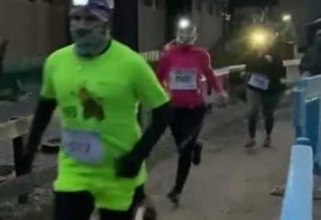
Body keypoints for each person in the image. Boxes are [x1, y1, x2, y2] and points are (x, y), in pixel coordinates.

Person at [19, 0, 170, 219]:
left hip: (118, 171)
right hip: (74, 170)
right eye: (76, 18)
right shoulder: (56, 62)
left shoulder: (131, 63)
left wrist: (137, 156)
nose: (81, 26)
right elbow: (45, 107)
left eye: (90, 19)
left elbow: (163, 111)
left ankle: (140, 202)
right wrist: (29, 151)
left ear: (106, 22)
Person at [157, 17, 227, 205]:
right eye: (181, 33)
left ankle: (177, 190)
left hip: (195, 108)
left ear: (195, 36)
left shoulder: (201, 54)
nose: (184, 37)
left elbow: (209, 74)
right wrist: (160, 96)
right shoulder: (168, 56)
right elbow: (158, 78)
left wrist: (220, 91)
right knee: (182, 145)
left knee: (184, 151)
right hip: (174, 108)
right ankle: (196, 145)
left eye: (188, 34)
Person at [244, 27, 286, 149]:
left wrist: (270, 63)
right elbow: (247, 68)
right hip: (254, 87)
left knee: (268, 113)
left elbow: (280, 72)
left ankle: (268, 136)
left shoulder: (275, 55)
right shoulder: (252, 54)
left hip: (271, 89)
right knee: (252, 111)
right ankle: (251, 138)